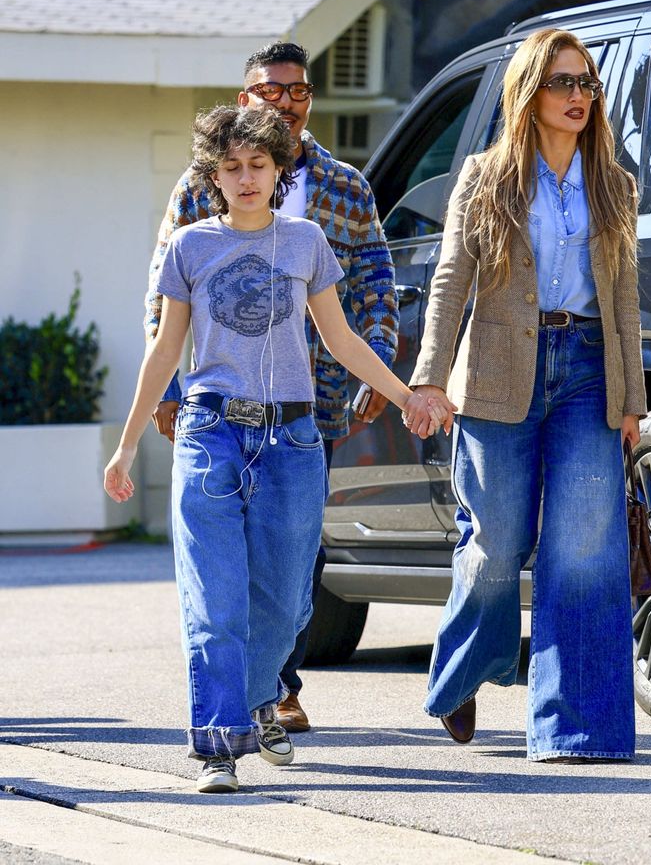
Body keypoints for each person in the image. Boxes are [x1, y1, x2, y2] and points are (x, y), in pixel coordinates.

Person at [105, 105, 451, 793]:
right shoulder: (189, 247)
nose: (245, 178)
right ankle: (218, 746)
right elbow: (165, 350)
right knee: (215, 603)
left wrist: (406, 394)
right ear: (213, 177)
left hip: (292, 439)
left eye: (257, 165)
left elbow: (341, 338)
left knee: (288, 604)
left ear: (277, 170)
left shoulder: (305, 241)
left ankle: (260, 696)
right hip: (211, 435)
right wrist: (125, 446)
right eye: (231, 167)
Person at [144, 42, 398, 734]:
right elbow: (164, 292)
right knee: (225, 567)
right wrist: (166, 388)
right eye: (270, 90)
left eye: (298, 91)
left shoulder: (344, 186)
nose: (285, 101)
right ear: (245, 98)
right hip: (219, 402)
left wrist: (379, 363)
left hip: (312, 397)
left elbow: (374, 278)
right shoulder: (205, 181)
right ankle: (244, 711)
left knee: (291, 557)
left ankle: (276, 680)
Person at [410, 27, 647, 762]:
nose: (579, 96)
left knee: (583, 550)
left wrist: (631, 401)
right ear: (528, 93)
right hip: (495, 373)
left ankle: (577, 730)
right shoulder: (485, 176)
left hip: (587, 370)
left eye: (587, 84)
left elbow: (625, 298)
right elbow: (450, 280)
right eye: (562, 82)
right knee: (493, 546)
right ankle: (463, 674)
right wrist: (428, 377)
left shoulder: (614, 182)